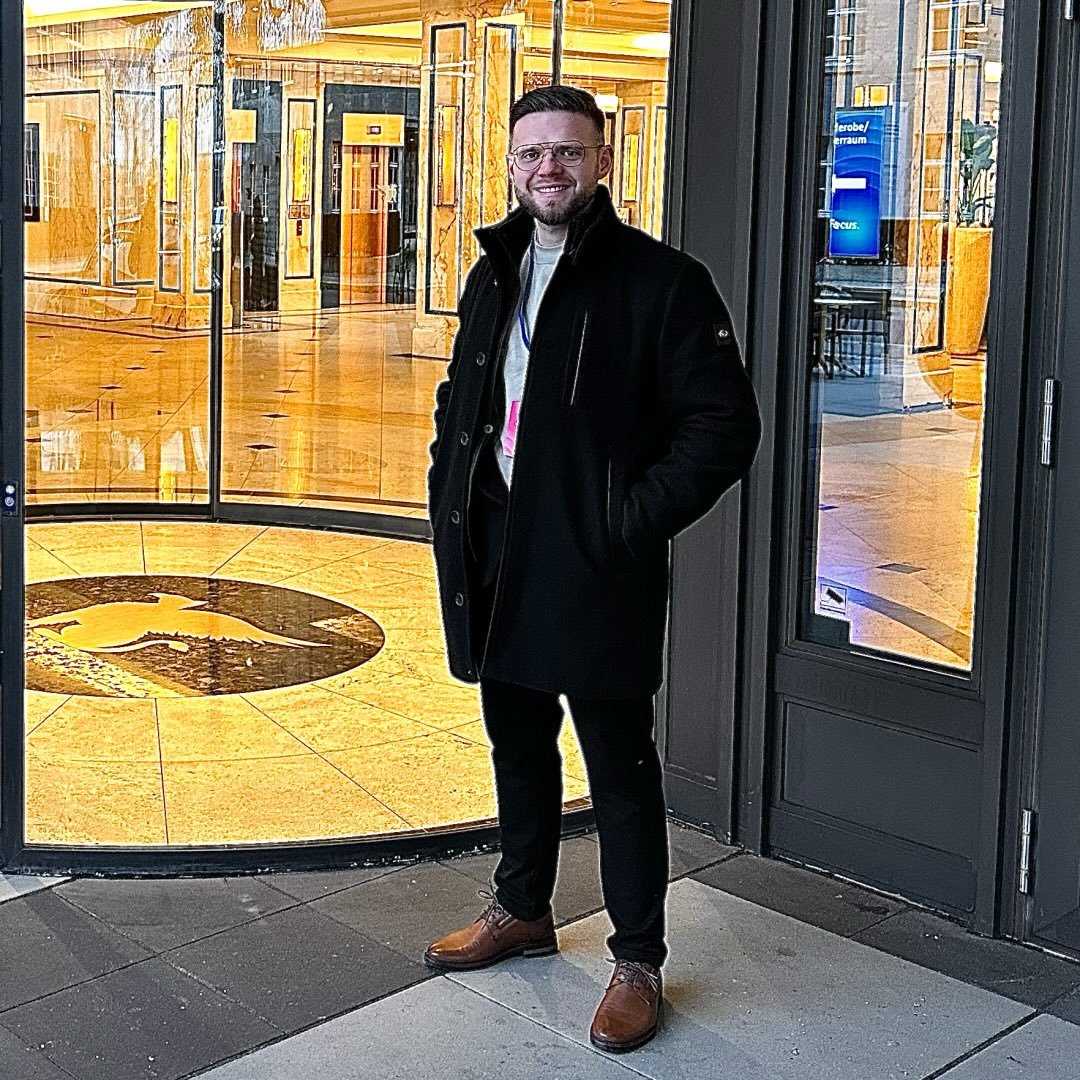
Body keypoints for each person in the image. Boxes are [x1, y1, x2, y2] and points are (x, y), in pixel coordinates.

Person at [424, 85, 761, 1053]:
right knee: (516, 740)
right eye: (532, 153)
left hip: (595, 562)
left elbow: (724, 425)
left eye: (569, 152)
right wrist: (448, 483)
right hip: (498, 549)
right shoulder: (494, 271)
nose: (549, 169)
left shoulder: (663, 282)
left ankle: (638, 959)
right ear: (511, 164)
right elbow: (462, 395)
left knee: (618, 763)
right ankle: (522, 907)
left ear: (603, 162)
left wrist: (625, 524)